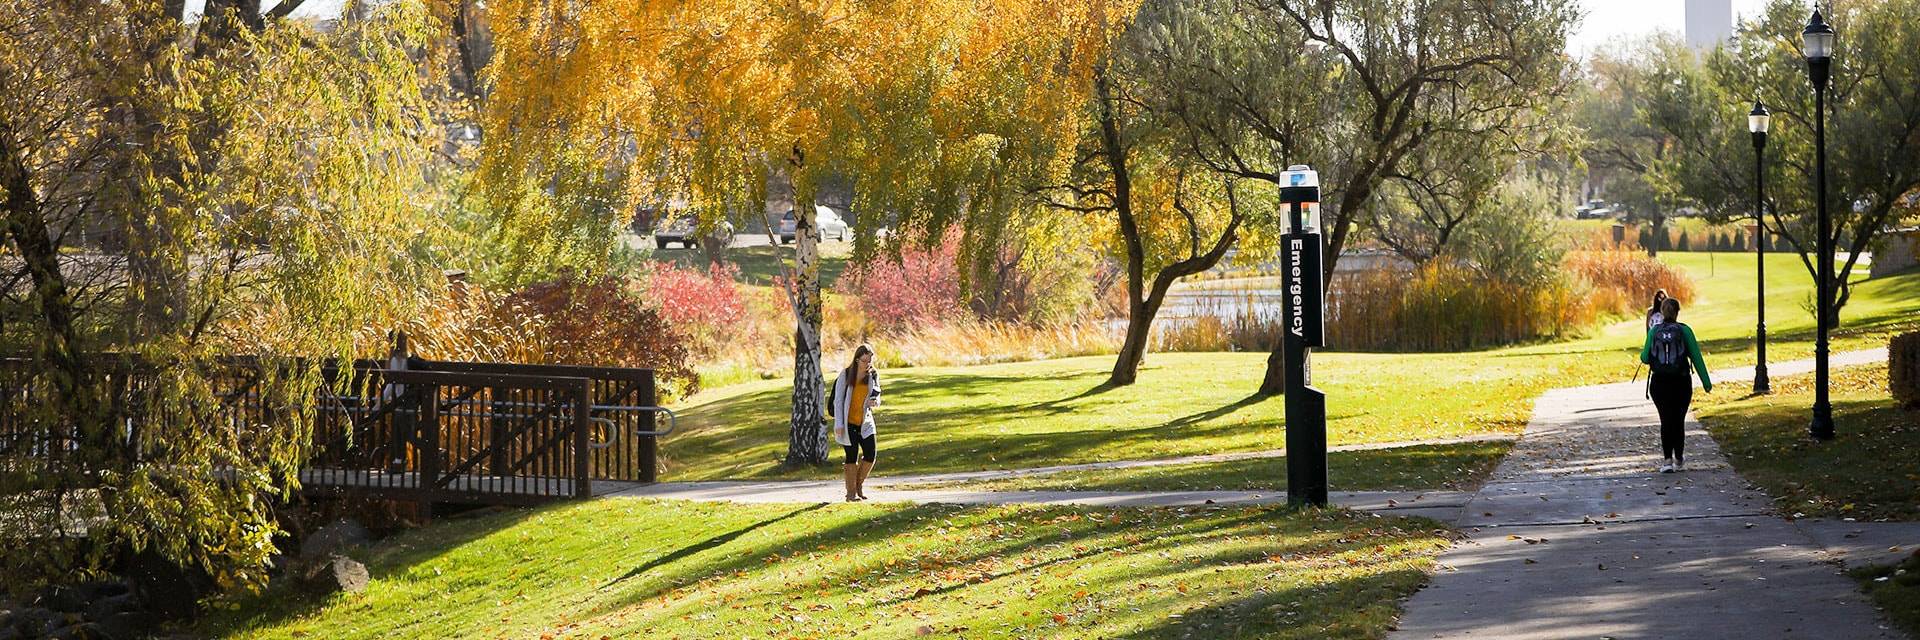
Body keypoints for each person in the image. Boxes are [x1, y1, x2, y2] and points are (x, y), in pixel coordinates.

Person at [1641, 298, 1711, 473]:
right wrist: (1706, 383)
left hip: (1659, 383)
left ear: (1662, 312)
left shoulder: (1654, 331)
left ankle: (1667, 461)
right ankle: (1679, 458)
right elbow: (1696, 357)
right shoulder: (1685, 331)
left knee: (1666, 420)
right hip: (1681, 382)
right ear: (1678, 312)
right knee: (1678, 420)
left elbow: (1644, 357)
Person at [829, 344, 881, 501]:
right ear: (857, 360)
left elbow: (877, 393)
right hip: (848, 422)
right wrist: (839, 424)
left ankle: (858, 485)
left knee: (871, 454)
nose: (868, 363)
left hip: (865, 420)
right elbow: (838, 401)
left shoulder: (872, 374)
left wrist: (875, 401)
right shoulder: (845, 375)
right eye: (865, 360)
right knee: (851, 456)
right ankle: (850, 493)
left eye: (870, 359)